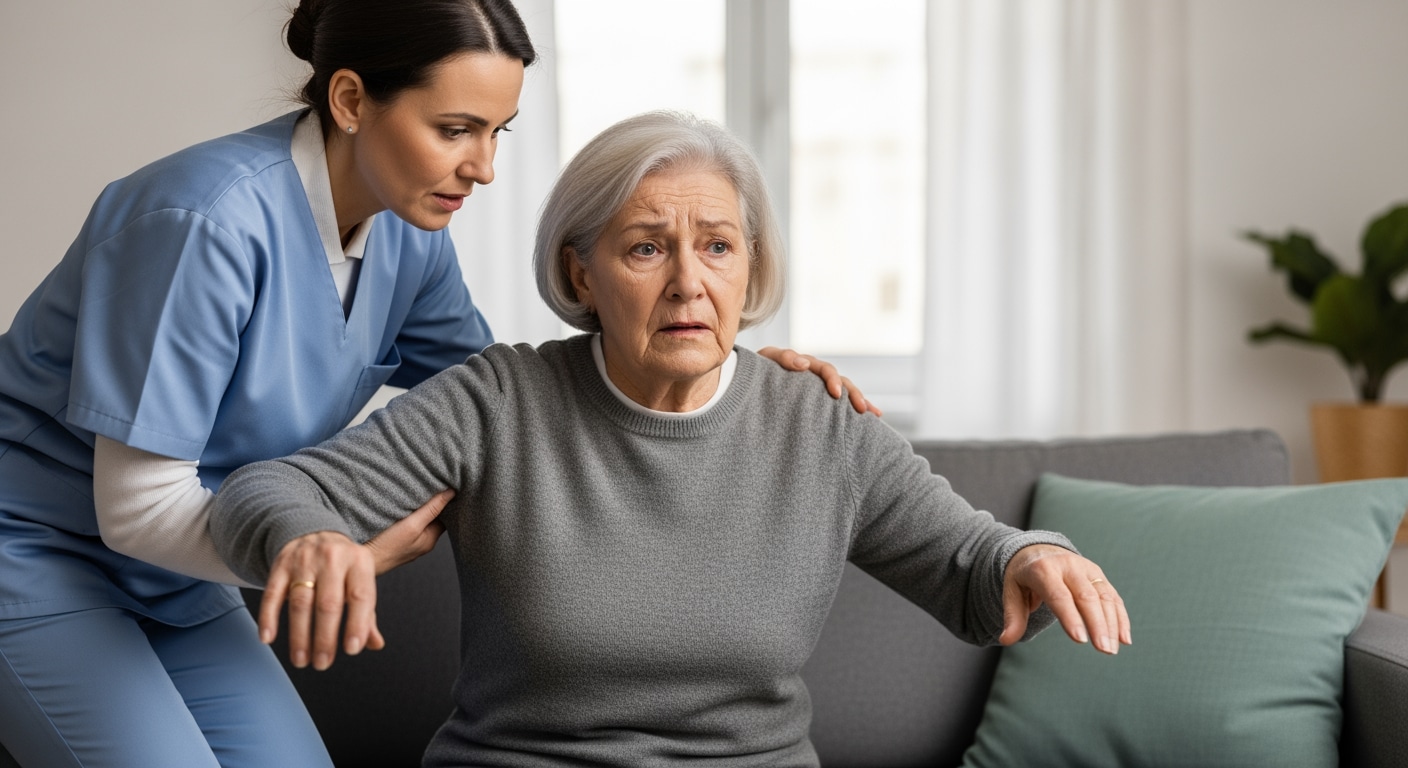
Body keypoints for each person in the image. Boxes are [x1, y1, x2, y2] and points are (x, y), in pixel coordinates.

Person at [0, 4, 867, 766]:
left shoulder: (408, 237)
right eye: (455, 129)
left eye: (500, 132)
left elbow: (518, 409)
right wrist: (334, 557)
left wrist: (727, 369)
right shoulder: (203, 224)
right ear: (349, 101)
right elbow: (137, 509)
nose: (483, 167)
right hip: (36, 554)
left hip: (186, 577)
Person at [211, 110, 1132, 767]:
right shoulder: (501, 402)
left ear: (751, 268)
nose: (690, 282)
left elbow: (972, 565)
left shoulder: (816, 424)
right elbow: (266, 491)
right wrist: (311, 536)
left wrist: (1033, 555)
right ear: (583, 271)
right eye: (647, 247)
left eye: (719, 247)